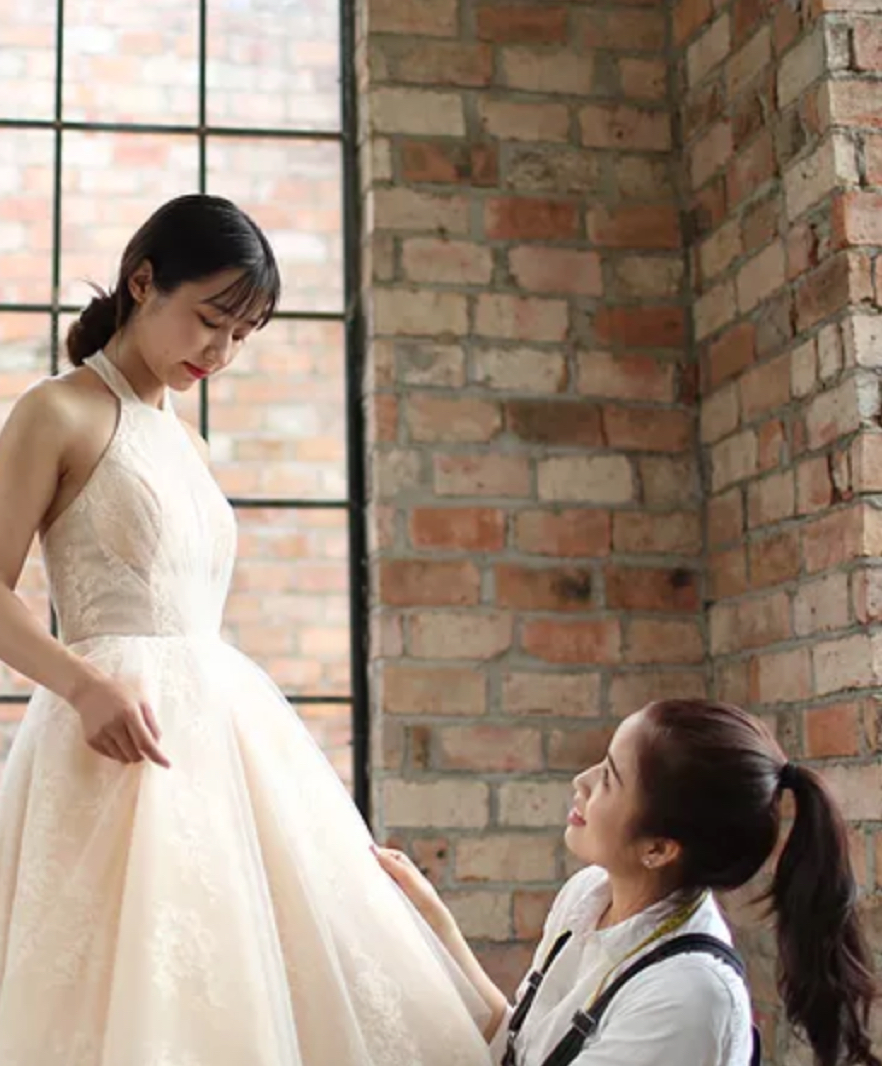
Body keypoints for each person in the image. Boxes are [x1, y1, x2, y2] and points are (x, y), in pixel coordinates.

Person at [0, 193, 493, 1066]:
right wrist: (82, 684)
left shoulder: (179, 438)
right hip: (110, 744)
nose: (220, 353)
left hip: (217, 749)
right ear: (142, 281)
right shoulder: (57, 411)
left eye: (243, 334)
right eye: (209, 321)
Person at [379, 699, 881, 1066]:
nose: (582, 780)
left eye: (610, 779)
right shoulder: (588, 896)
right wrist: (432, 922)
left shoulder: (688, 995)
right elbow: (518, 1047)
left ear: (659, 849)